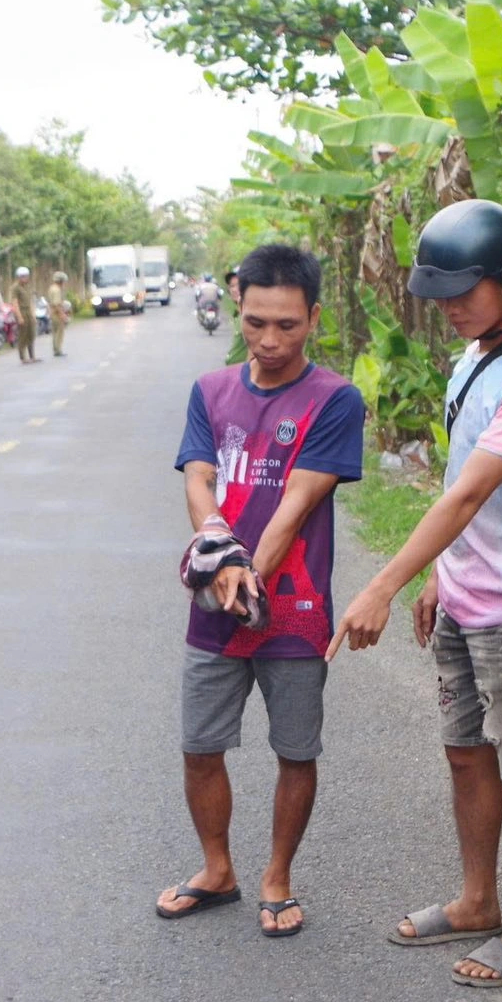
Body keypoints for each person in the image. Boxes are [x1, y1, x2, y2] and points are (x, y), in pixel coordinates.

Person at [327, 199, 502, 988]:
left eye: (463, 291)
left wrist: (382, 581)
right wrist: (441, 574)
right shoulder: (472, 354)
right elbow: (462, 478)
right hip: (468, 595)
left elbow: (468, 496)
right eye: (438, 295)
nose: (448, 309)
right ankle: (477, 900)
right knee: (465, 755)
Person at [158, 243, 365, 937]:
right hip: (216, 606)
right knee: (199, 744)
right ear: (236, 305)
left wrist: (243, 567)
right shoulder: (210, 391)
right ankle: (217, 868)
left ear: (313, 316)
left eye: (286, 324)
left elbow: (299, 501)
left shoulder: (335, 399)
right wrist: (218, 555)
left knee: (295, 748)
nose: (269, 339)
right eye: (254, 322)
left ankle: (277, 874)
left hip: (295, 610)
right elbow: (196, 478)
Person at [12, 266, 39, 364]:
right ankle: (23, 357)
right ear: (18, 277)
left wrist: (33, 315)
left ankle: (32, 356)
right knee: (22, 335)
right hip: (21, 312)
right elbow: (15, 303)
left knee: (31, 334)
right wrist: (19, 317)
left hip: (28, 312)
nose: (25, 278)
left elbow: (30, 301)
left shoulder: (27, 287)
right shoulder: (15, 288)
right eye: (23, 277)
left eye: (26, 276)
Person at [47, 271, 69, 357]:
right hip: (56, 313)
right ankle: (58, 350)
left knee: (55, 332)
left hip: (52, 313)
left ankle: (55, 349)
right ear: (60, 281)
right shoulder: (57, 290)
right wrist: (62, 315)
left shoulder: (52, 288)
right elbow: (57, 304)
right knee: (59, 332)